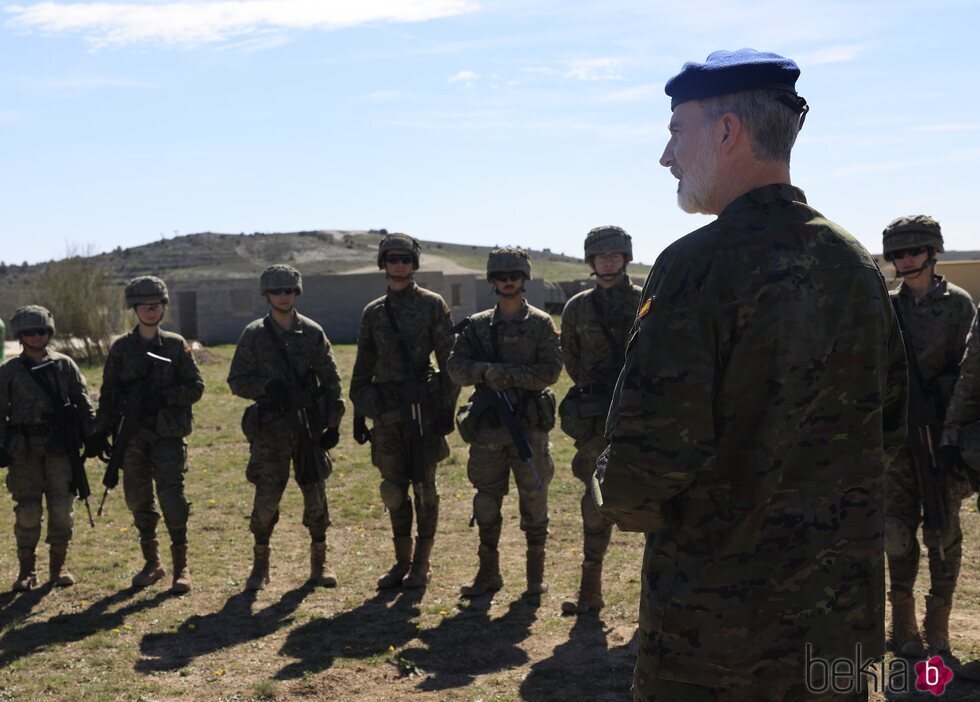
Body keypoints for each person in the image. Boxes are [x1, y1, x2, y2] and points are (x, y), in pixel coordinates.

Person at [592, 49, 908, 701]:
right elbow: (893, 424)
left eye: (678, 130)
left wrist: (614, 491)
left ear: (728, 131)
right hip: (837, 622)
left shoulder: (696, 268)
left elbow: (646, 463)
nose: (667, 155)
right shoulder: (854, 264)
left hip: (717, 631)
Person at [881, 215, 976, 658]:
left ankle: (937, 623)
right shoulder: (886, 306)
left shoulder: (958, 305)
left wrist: (955, 433)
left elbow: (970, 375)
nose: (906, 260)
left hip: (942, 436)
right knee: (896, 531)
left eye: (914, 251)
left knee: (943, 531)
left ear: (933, 251)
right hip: (898, 440)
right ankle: (901, 623)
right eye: (898, 253)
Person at [448, 247, 562, 598]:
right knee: (485, 500)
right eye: (501, 276)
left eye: (514, 275)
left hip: (528, 425)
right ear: (492, 281)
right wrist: (483, 371)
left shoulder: (541, 324)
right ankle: (488, 573)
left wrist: (508, 376)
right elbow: (455, 367)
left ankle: (534, 578)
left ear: (524, 279)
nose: (508, 281)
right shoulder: (478, 326)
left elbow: (550, 372)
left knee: (535, 498)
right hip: (488, 425)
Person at [349, 233, 459, 589]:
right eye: (393, 258)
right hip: (386, 412)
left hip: (423, 412)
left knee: (425, 488)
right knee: (393, 489)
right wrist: (360, 411)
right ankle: (401, 561)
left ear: (415, 264)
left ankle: (421, 565)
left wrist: (445, 409)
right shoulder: (374, 312)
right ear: (383, 263)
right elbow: (362, 366)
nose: (400, 265)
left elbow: (450, 364)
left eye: (406, 259)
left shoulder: (432, 304)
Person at [228, 264, 345, 591]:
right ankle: (260, 564)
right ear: (267, 295)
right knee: (266, 500)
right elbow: (236, 381)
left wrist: (333, 424)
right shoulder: (254, 335)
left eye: (289, 290)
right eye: (277, 291)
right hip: (270, 430)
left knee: (316, 496)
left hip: (308, 428)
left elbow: (332, 381)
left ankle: (320, 563)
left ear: (297, 293)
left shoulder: (311, 332)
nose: (283, 296)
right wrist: (267, 387)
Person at [96, 276, 204, 594]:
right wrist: (102, 431)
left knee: (173, 499)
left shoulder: (174, 344)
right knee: (137, 498)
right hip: (132, 436)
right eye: (145, 307)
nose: (151, 311)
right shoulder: (121, 348)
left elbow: (196, 387)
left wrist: (165, 397)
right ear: (135, 309)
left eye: (156, 306)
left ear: (163, 307)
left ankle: (181, 567)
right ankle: (152, 562)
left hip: (168, 433)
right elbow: (108, 393)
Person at [558, 226, 641, 615]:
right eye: (600, 256)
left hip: (640, 416)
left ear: (625, 258)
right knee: (595, 500)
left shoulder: (646, 300)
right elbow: (571, 359)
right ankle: (590, 589)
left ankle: (654, 598)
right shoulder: (577, 307)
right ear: (590, 261)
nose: (608, 261)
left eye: (614, 255)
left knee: (651, 497)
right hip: (594, 421)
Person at [0, 305, 97, 590]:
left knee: (61, 509)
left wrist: (91, 435)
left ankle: (58, 567)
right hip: (24, 451)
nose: (36, 337)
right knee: (28, 510)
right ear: (20, 335)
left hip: (59, 449)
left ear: (49, 332)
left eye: (42, 331)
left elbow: (83, 401)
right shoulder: (9, 372)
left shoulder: (64, 365)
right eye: (29, 332)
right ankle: (26, 571)